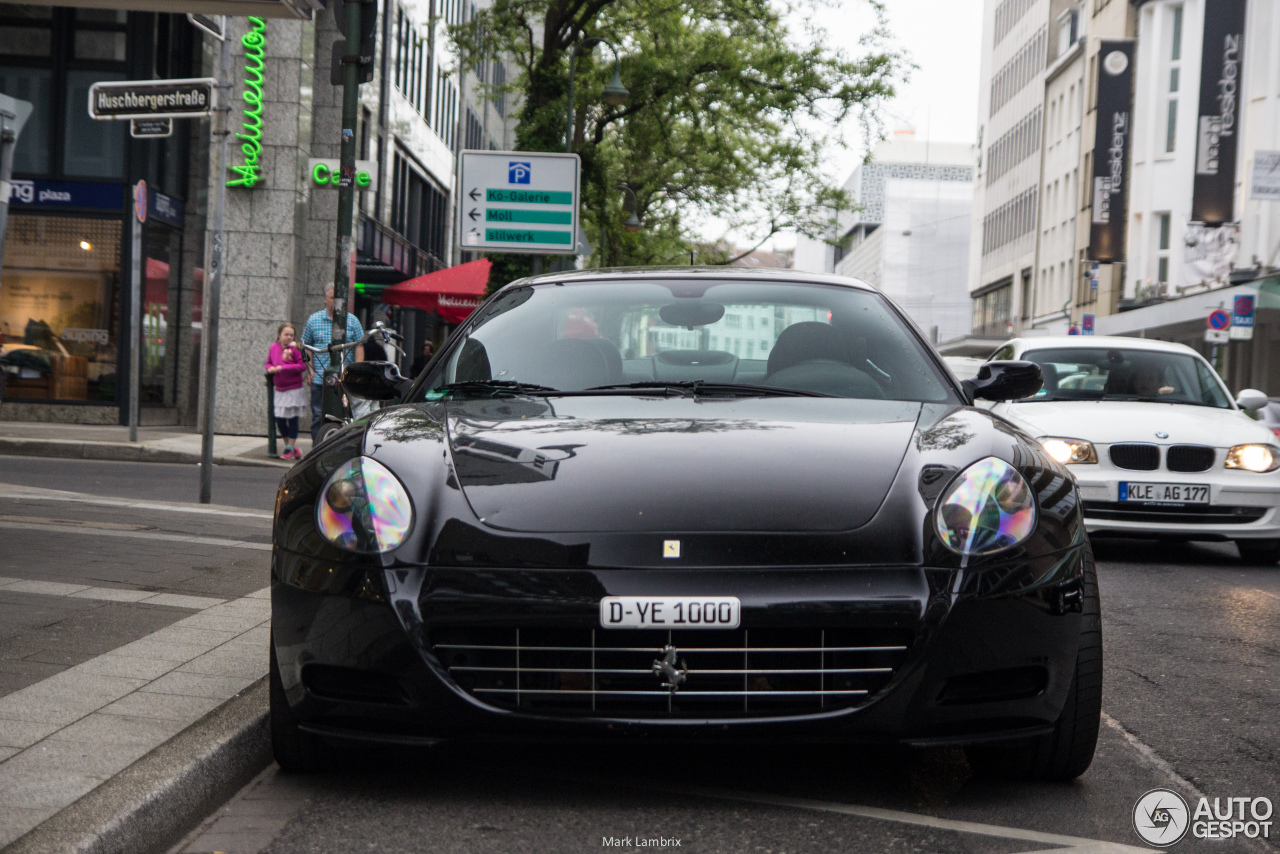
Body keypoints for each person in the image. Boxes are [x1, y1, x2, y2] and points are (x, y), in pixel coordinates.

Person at [301, 285, 364, 440]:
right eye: (332, 298)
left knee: (348, 415)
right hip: (320, 378)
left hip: (345, 378)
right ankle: (317, 448)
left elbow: (359, 346)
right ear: (324, 299)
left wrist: (356, 370)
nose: (336, 302)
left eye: (339, 298)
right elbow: (306, 346)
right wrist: (310, 370)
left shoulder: (353, 321)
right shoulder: (314, 320)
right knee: (318, 416)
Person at [264, 323, 308, 459]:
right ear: (279, 335)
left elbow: (301, 366)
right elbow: (268, 362)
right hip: (280, 388)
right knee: (279, 418)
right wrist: (270, 368)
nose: (289, 337)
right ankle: (292, 448)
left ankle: (289, 448)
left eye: (291, 335)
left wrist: (283, 368)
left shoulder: (296, 348)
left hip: (293, 388)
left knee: (292, 418)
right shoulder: (274, 347)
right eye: (286, 334)